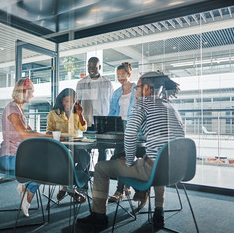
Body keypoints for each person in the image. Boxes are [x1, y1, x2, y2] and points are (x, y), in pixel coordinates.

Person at [78, 71, 185, 229]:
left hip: (151, 170)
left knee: (101, 168)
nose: (135, 90)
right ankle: (159, 211)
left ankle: (98, 215)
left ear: (147, 89)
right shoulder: (170, 106)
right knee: (158, 160)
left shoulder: (143, 104)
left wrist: (129, 162)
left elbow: (129, 135)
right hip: (176, 170)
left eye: (138, 87)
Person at [0, 78, 52, 217]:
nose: (33, 95)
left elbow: (30, 132)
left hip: (18, 155)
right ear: (24, 91)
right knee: (43, 168)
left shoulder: (19, 109)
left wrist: (49, 136)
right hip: (8, 157)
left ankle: (24, 188)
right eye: (32, 91)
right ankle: (27, 195)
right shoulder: (12, 109)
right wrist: (51, 137)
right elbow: (25, 135)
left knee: (47, 165)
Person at [46, 88, 89, 203]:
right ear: (61, 101)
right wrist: (59, 136)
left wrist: (80, 115)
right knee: (69, 158)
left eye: (71, 101)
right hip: (60, 147)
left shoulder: (76, 114)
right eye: (66, 101)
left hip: (75, 145)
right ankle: (70, 188)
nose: (68, 104)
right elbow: (48, 132)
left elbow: (83, 128)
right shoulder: (53, 114)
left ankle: (66, 186)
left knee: (86, 158)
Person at [107, 62, 138, 202]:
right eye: (118, 76)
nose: (120, 78)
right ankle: (123, 188)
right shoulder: (117, 93)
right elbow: (113, 112)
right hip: (120, 130)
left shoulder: (138, 89)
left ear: (129, 75)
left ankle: (121, 190)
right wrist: (108, 126)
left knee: (129, 159)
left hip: (134, 129)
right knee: (119, 158)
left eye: (123, 75)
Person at [76, 56, 113, 161]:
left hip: (102, 121)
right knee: (87, 149)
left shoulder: (107, 83)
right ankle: (86, 175)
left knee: (102, 149)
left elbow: (111, 102)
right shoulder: (81, 83)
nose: (91, 69)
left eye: (94, 67)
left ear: (100, 67)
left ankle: (100, 174)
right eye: (89, 67)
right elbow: (78, 102)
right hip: (88, 121)